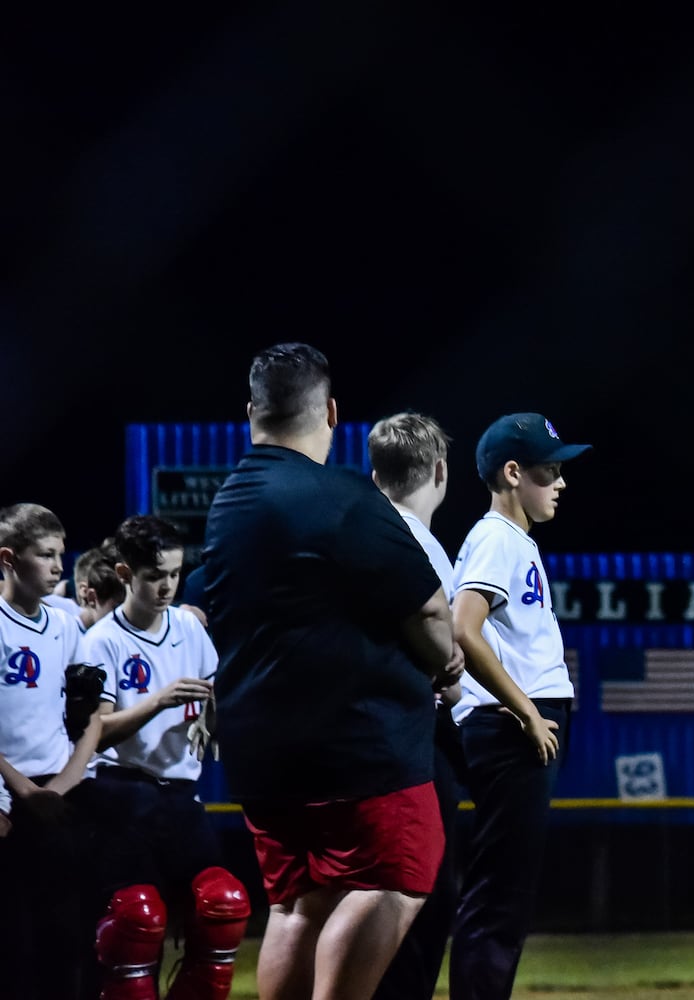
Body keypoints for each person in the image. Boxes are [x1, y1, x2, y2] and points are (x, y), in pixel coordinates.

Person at [200, 343, 459, 1000]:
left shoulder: (228, 505)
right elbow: (430, 610)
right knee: (399, 874)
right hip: (355, 746)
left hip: (260, 752)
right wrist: (445, 659)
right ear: (332, 412)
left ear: (251, 413)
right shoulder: (343, 495)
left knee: (298, 903)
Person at [80, 513, 251, 1000]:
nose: (168, 586)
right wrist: (159, 700)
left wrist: (212, 715)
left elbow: (214, 697)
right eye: (155, 576)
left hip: (179, 796)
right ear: (124, 575)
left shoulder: (188, 628)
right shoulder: (102, 642)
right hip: (121, 795)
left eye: (174, 574)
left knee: (225, 905)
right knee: (137, 919)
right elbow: (95, 733)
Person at [448, 411, 589, 999]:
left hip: (520, 725)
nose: (560, 483)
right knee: (500, 895)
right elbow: (463, 627)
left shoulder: (515, 540)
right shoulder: (495, 538)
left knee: (507, 892)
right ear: (513, 473)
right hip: (513, 728)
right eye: (548, 471)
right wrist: (529, 712)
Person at [366, 412, 468, 1000]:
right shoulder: (420, 544)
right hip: (418, 737)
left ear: (376, 474)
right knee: (424, 894)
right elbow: (447, 664)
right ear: (439, 469)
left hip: (363, 736)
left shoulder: (362, 530)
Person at [0, 502, 104, 1000]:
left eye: (61, 554)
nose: (59, 566)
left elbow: (91, 716)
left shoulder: (65, 623)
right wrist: (22, 791)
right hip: (7, 797)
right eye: (45, 555)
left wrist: (60, 788)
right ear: (8, 559)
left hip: (58, 796)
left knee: (68, 944)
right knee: (15, 946)